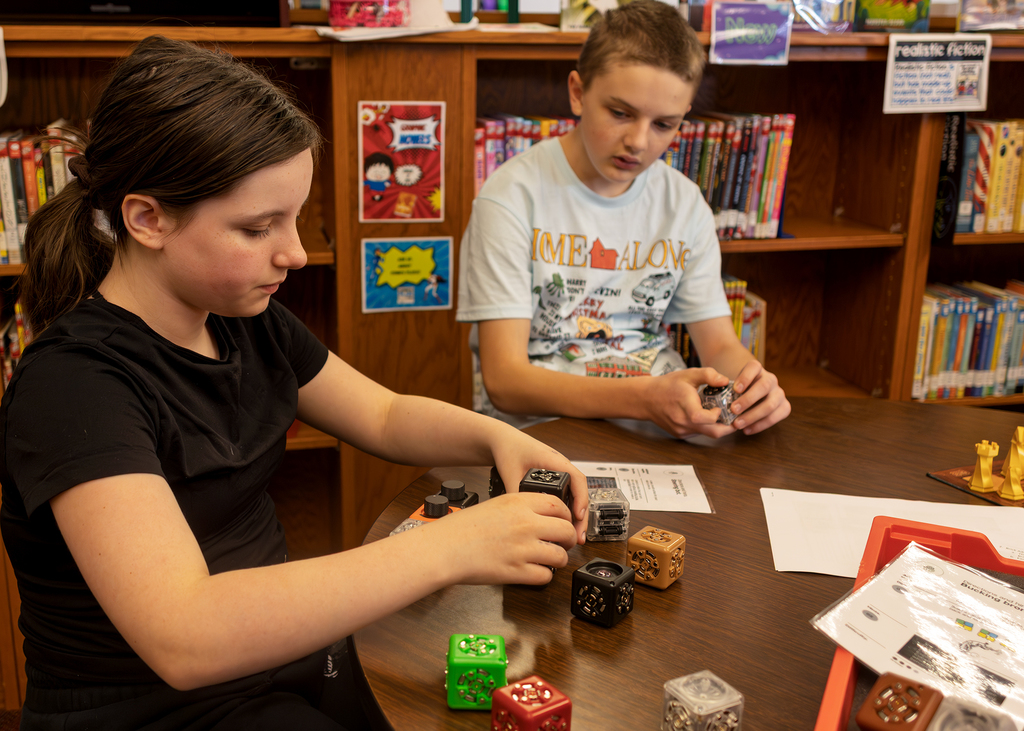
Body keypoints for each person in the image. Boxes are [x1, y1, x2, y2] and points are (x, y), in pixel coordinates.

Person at [0, 35, 588, 731]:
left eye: (296, 217)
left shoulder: (244, 319)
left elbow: (386, 414)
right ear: (147, 218)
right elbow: (183, 635)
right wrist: (446, 549)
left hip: (278, 659)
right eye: (258, 227)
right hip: (155, 708)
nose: (296, 252)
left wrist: (498, 437)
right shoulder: (73, 388)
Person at [456, 0, 791, 439]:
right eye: (620, 113)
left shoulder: (685, 204)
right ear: (577, 92)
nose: (637, 141)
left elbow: (720, 345)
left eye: (664, 125)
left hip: (661, 432)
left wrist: (754, 386)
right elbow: (506, 382)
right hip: (542, 433)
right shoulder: (510, 199)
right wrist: (645, 399)